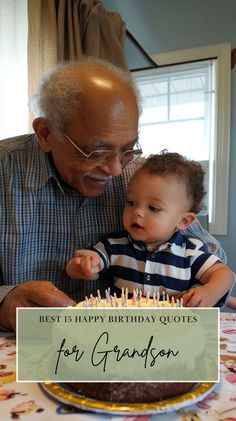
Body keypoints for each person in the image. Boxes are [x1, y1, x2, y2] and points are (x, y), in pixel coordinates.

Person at [0, 59, 230, 331]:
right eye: (95, 152)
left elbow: (212, 259)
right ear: (46, 133)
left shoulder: (142, 179)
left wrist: (200, 291)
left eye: (129, 148)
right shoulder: (6, 171)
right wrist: (4, 302)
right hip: (27, 347)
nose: (116, 168)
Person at [66, 152, 234, 307]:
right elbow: (84, 267)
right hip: (123, 328)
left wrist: (210, 292)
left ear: (183, 221)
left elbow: (223, 274)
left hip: (174, 331)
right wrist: (83, 267)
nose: (137, 212)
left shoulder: (190, 252)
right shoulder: (114, 245)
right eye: (131, 202)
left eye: (153, 208)